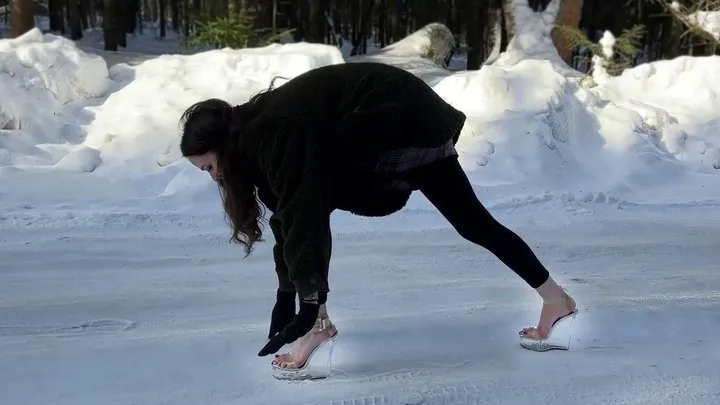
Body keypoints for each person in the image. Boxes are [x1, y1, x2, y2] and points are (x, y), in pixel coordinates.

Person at [178, 62, 578, 379]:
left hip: (392, 119)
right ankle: (555, 299)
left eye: (210, 166)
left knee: (312, 203)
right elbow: (289, 217)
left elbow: (301, 213)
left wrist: (305, 300)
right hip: (414, 119)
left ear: (224, 147)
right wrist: (288, 296)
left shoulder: (273, 132)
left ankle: (317, 323)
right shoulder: (259, 133)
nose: (214, 177)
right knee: (472, 222)